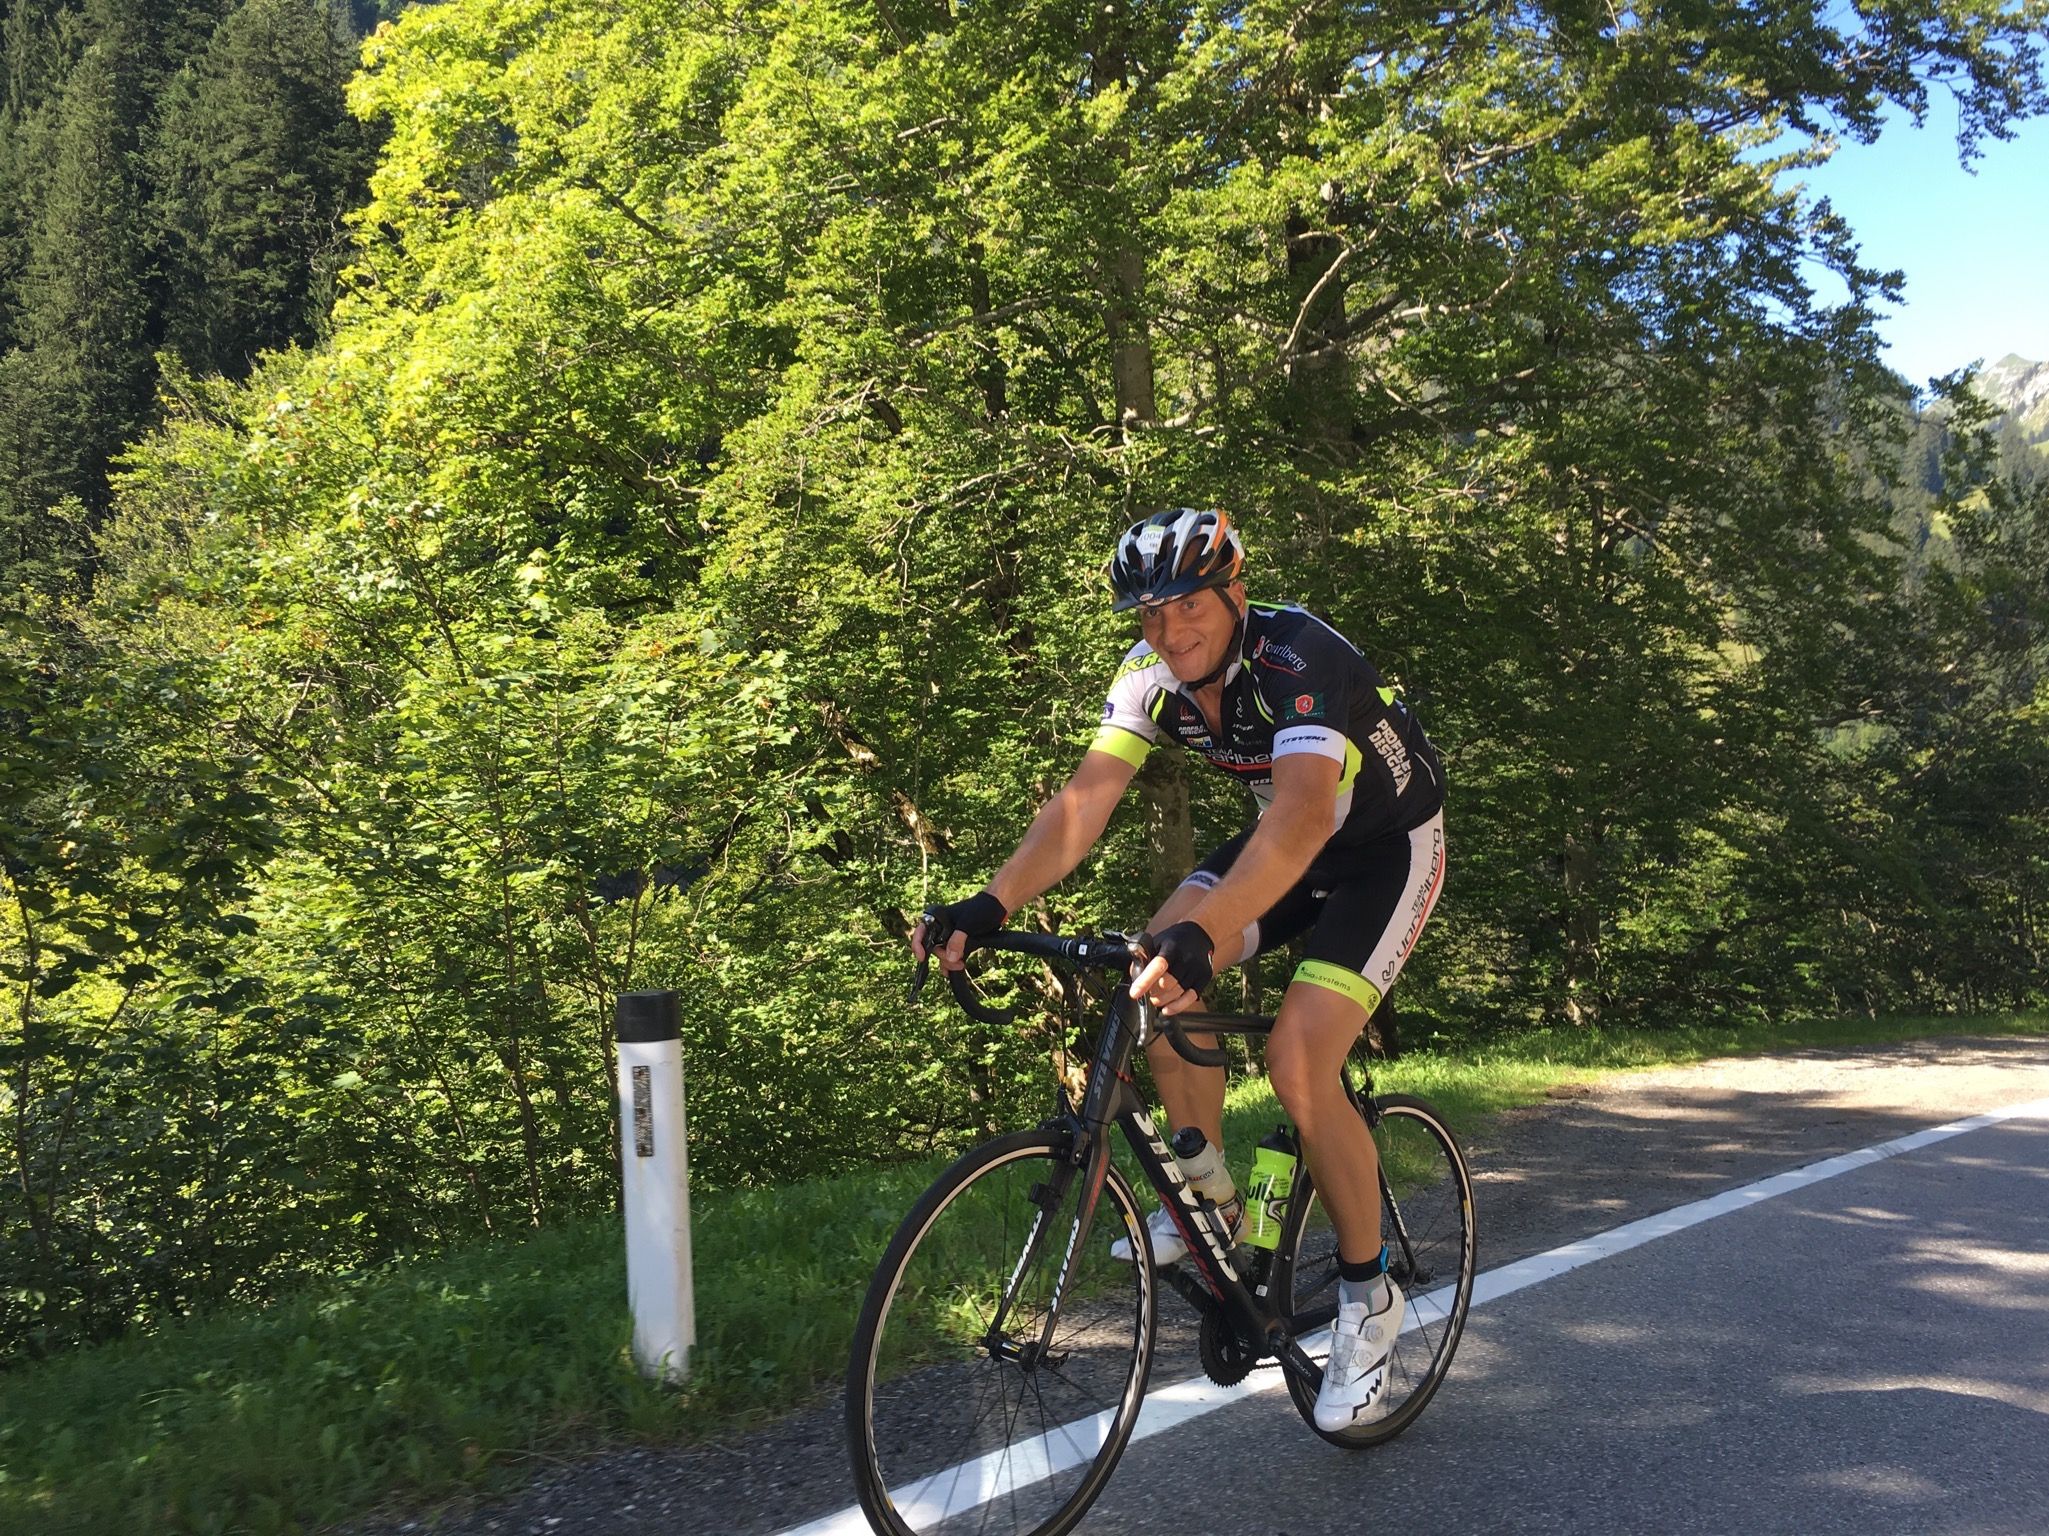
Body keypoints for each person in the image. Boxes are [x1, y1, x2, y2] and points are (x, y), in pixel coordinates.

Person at [911, 507, 1447, 1433]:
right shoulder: (1147, 677)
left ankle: (1370, 1300)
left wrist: (1207, 929)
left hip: (1382, 852)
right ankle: (1215, 1200)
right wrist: (989, 905)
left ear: (1234, 593)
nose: (1169, 630)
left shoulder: (1297, 656)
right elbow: (1081, 806)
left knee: (1298, 1058)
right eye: (1149, 613)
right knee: (1147, 974)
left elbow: (1303, 815)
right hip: (1286, 848)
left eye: (1188, 605)